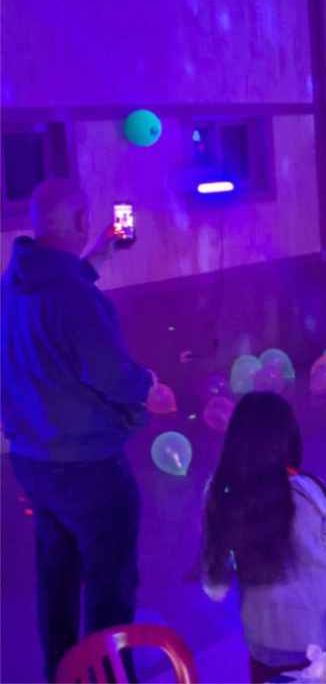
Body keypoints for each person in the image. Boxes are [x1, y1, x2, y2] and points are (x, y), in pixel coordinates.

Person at [1, 179, 153, 681]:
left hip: (33, 458)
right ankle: (107, 678)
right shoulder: (75, 297)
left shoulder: (12, 284)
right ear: (84, 219)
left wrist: (94, 259)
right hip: (88, 464)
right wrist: (149, 387)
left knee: (57, 578)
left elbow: (55, 303)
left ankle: (62, 672)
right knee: (110, 587)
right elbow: (111, 374)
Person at [200, 392, 326, 683]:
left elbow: (215, 589)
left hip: (267, 636)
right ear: (289, 438)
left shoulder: (220, 492)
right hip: (323, 628)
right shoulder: (311, 490)